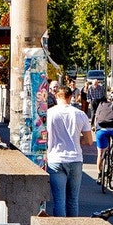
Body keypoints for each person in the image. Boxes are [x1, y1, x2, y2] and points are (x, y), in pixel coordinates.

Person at [44, 85, 94, 217]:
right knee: (72, 200)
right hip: (75, 159)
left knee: (58, 200)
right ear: (70, 97)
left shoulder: (49, 113)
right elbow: (89, 141)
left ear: (56, 96)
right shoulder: (80, 114)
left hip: (55, 159)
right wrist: (77, 140)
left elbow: (43, 136)